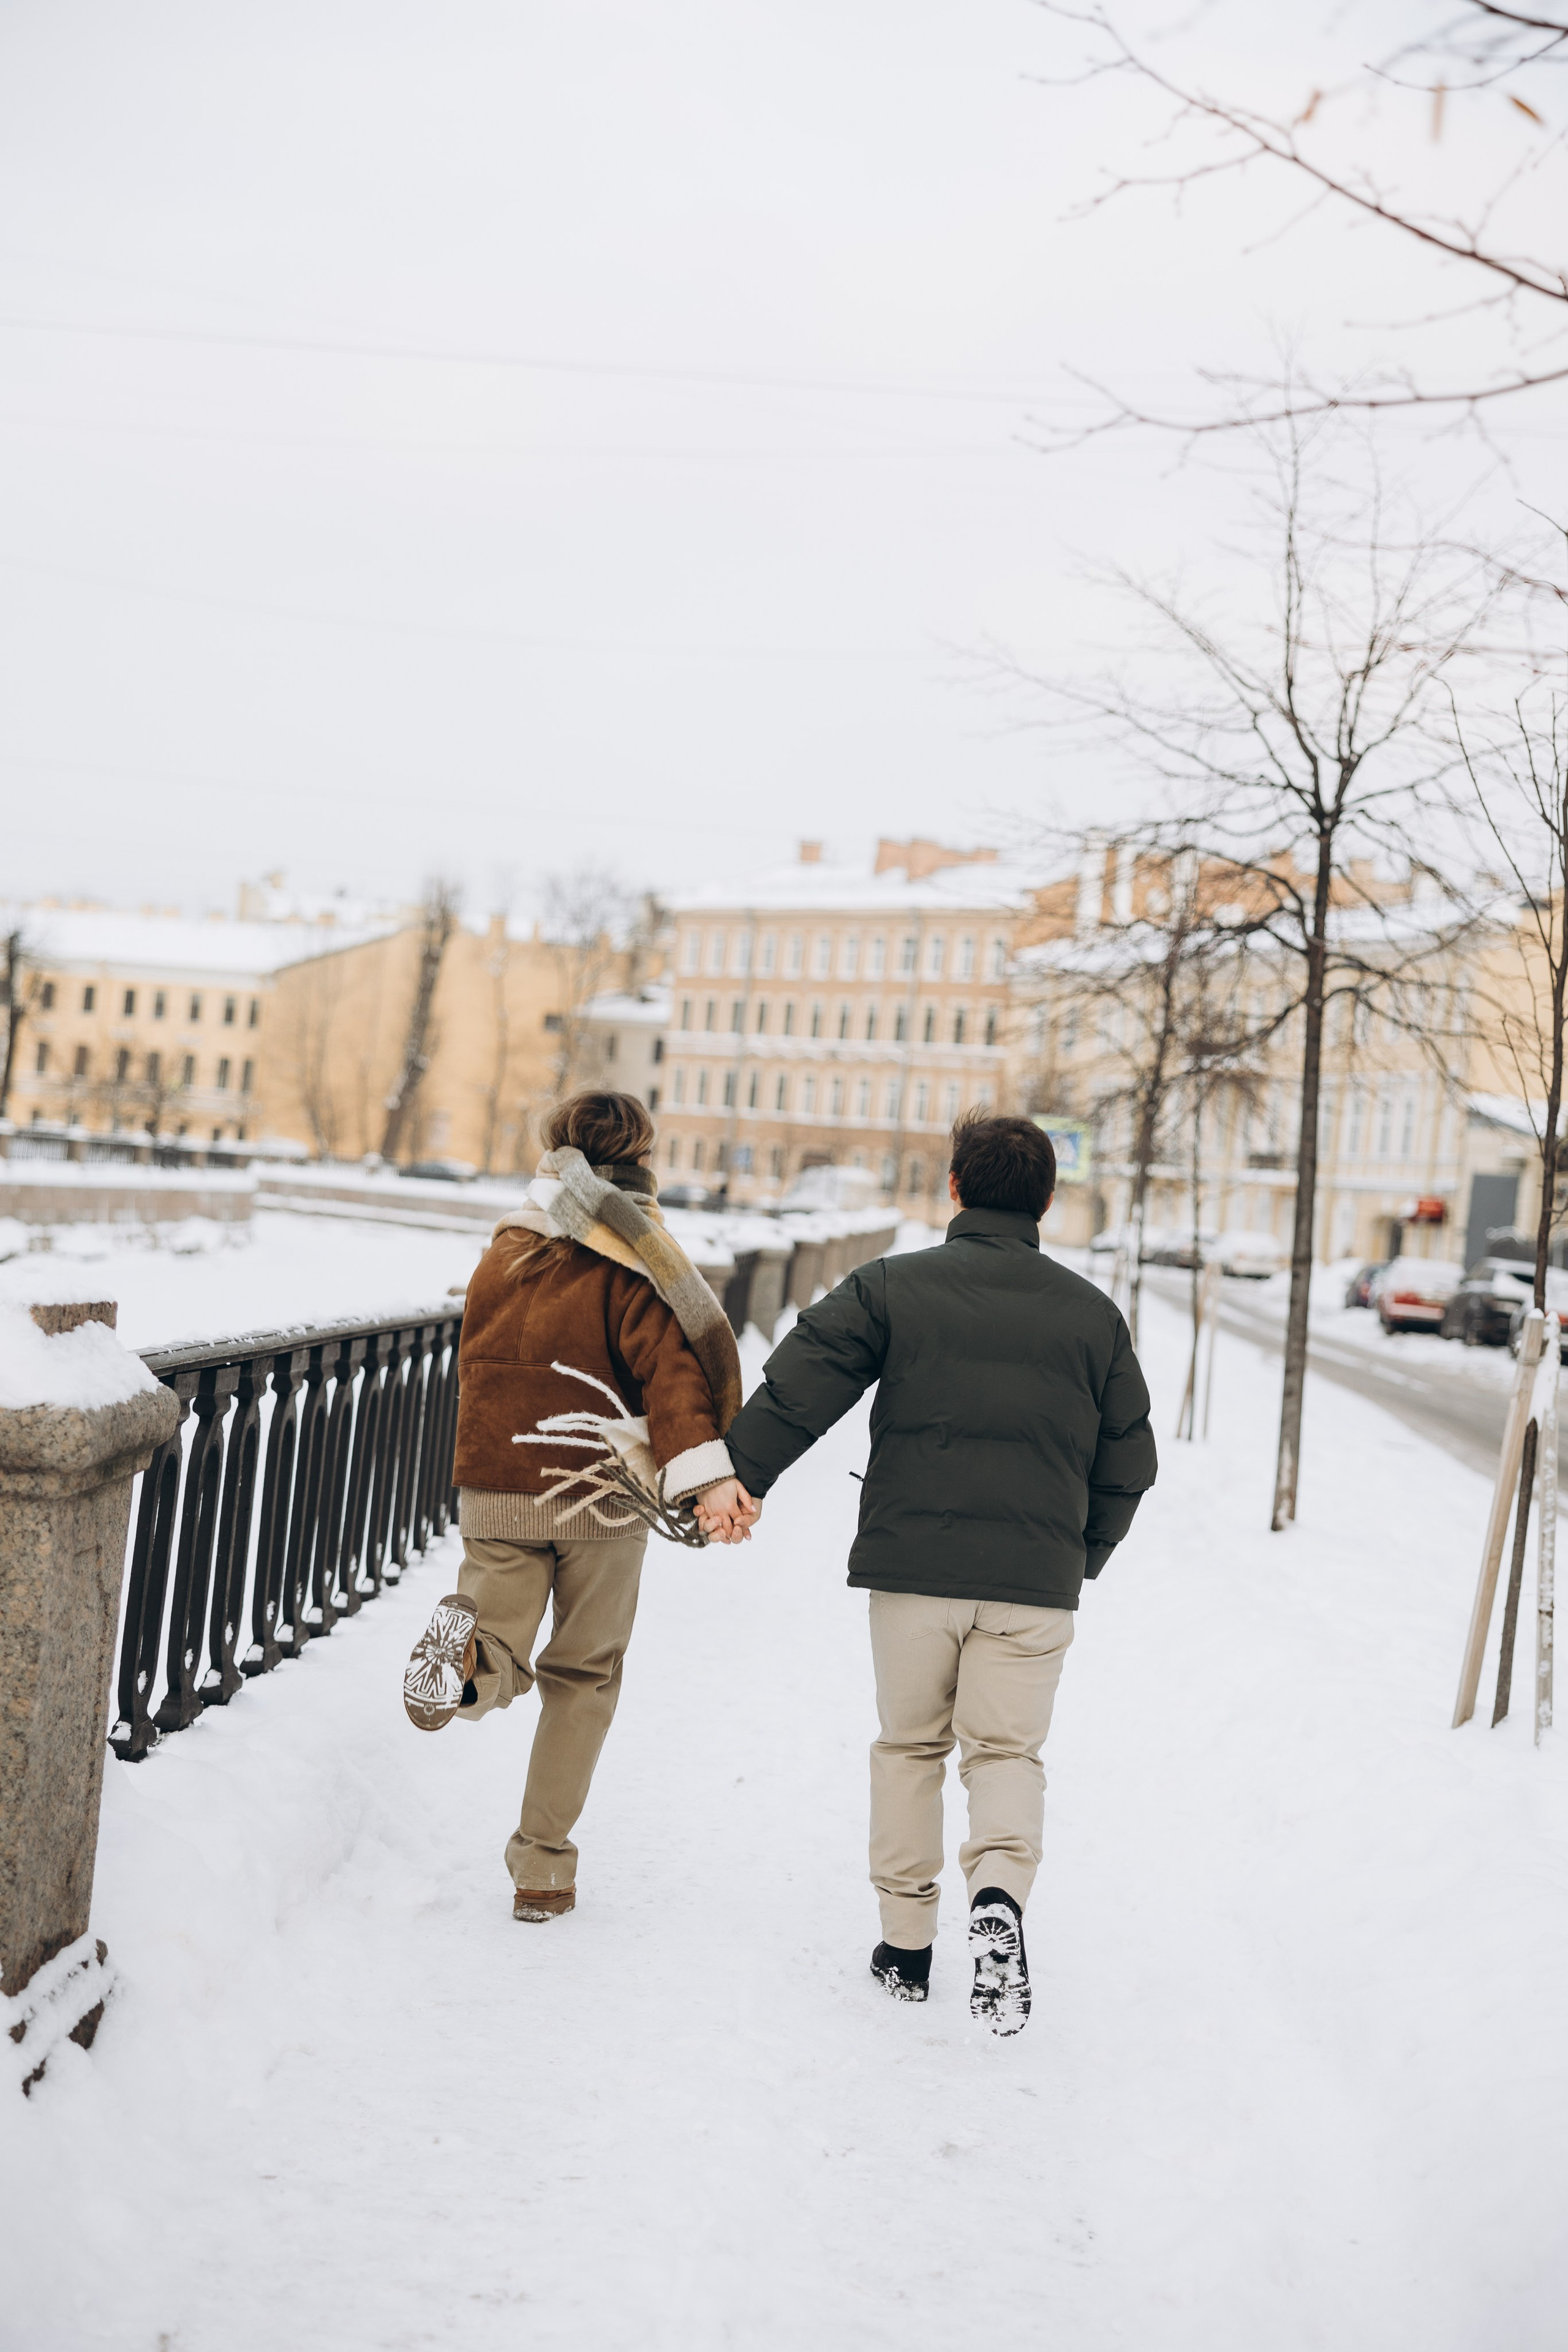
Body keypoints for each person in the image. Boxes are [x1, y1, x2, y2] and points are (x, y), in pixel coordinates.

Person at [696, 1112, 1157, 2035]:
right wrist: (1080, 1555)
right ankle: (997, 1897)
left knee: (911, 1748)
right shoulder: (1093, 1317)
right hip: (1034, 1580)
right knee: (1006, 1754)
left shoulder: (890, 1288)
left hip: (914, 1571)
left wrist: (737, 1477)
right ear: (1049, 1201)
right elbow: (1128, 1460)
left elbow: (805, 1380)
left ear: (954, 1188)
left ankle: (906, 1947)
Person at [402, 1090, 748, 1921]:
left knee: (505, 1644)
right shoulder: (636, 1257)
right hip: (598, 1492)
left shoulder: (508, 1247)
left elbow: (481, 1362)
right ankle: (542, 1871)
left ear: (557, 1151)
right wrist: (704, 1478)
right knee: (582, 1677)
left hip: (497, 1482)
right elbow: (671, 1375)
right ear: (643, 1158)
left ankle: (467, 1661)